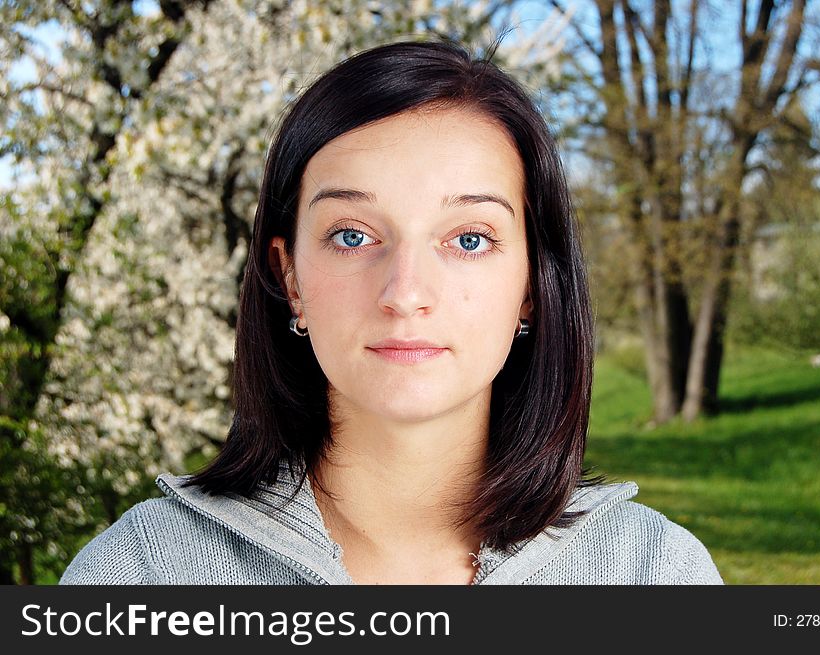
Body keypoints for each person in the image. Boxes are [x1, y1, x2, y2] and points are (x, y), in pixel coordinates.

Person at [60, 39, 722, 585]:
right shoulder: (140, 574)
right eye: (353, 235)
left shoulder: (655, 573)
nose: (405, 292)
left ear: (530, 286)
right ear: (288, 276)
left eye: (469, 239)